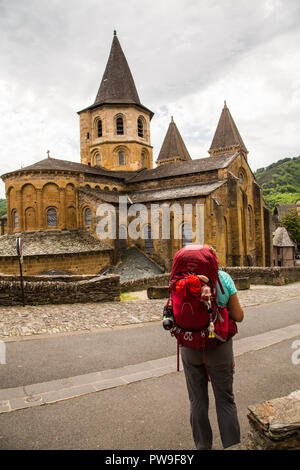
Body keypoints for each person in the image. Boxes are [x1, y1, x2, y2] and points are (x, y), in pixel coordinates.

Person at [180, 263, 244, 450]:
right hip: (218, 345)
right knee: (225, 400)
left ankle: (202, 447)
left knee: (197, 400)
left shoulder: (182, 280)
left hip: (190, 345)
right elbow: (238, 316)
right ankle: (232, 447)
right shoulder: (223, 278)